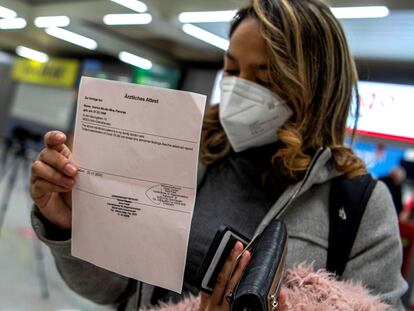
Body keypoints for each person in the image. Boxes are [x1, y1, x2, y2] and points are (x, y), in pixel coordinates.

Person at [30, 0, 407, 310]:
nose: (239, 87)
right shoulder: (189, 155)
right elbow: (118, 289)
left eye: (265, 76)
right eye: (231, 69)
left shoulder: (360, 207)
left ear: (317, 85)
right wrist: (72, 225)